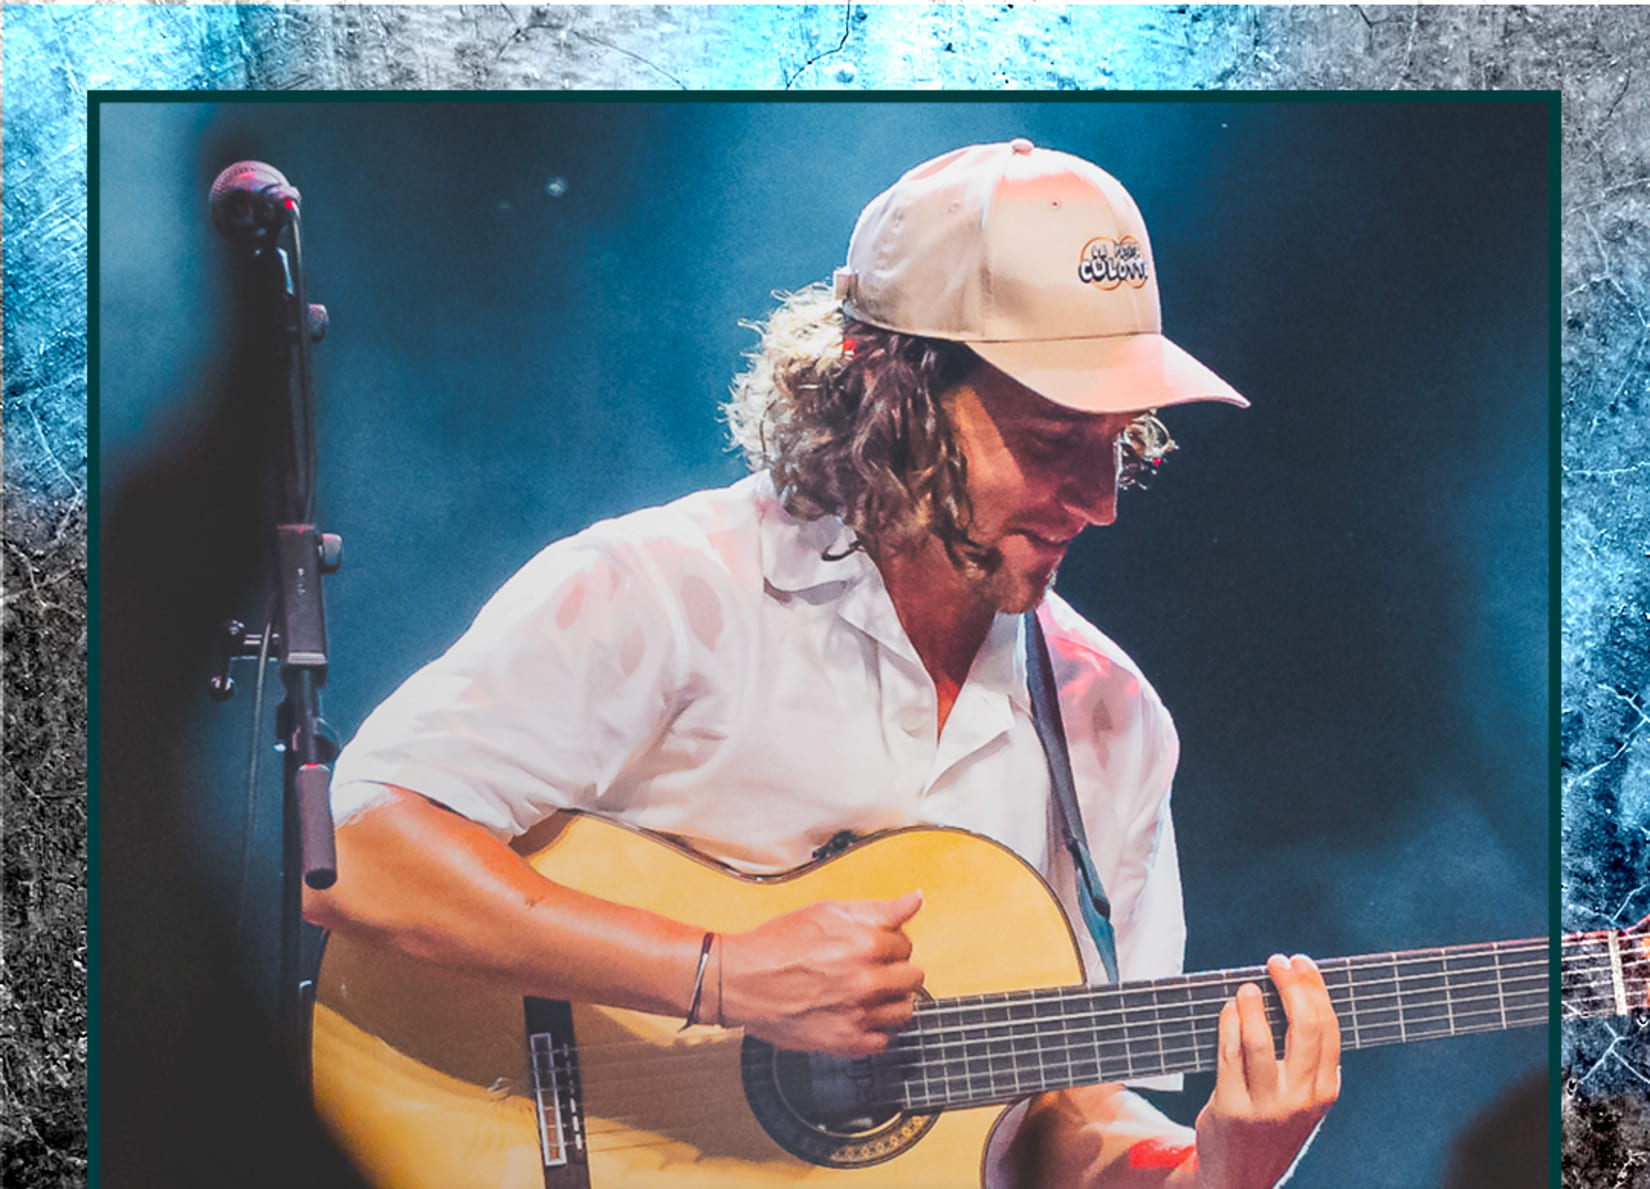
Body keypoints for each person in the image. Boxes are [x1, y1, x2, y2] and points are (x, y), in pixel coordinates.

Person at [304, 138, 1340, 1187]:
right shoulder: (667, 591)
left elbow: (1052, 1133)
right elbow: (357, 849)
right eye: (1050, 438)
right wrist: (721, 975)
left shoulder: (1108, 719)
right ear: (891, 396)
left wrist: (1221, 1170)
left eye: (1116, 441)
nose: (1101, 498)